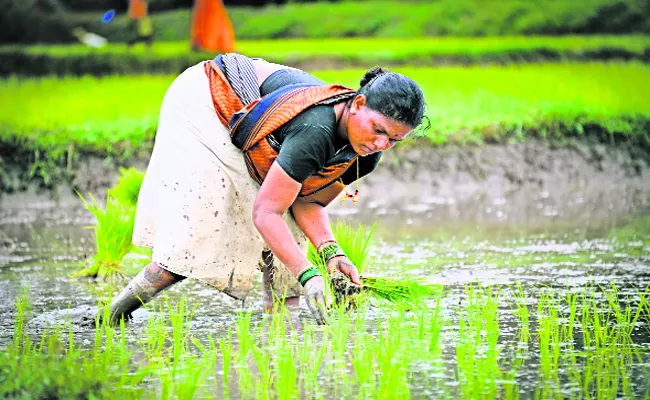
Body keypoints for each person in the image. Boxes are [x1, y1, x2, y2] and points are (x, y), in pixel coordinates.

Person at [108, 53, 426, 325]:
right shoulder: (315, 130)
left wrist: (331, 254)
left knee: (291, 232)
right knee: (199, 234)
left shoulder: (365, 156)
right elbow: (266, 211)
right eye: (378, 130)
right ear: (358, 104)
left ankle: (280, 331)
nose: (381, 144)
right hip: (210, 98)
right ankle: (110, 317)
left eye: (394, 139)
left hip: (262, 126)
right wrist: (308, 274)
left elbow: (309, 201)